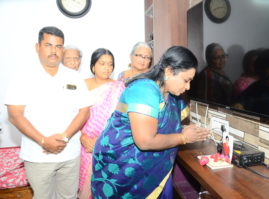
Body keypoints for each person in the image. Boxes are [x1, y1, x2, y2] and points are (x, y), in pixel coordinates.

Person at [91, 46, 210, 198]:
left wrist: (187, 131)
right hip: (121, 167)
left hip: (148, 167)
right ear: (168, 71)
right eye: (186, 80)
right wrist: (184, 137)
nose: (188, 87)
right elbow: (145, 141)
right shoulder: (144, 90)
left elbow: (166, 123)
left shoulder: (170, 93)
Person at [5, 26, 91, 199]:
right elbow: (15, 115)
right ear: (38, 47)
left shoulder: (74, 77)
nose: (54, 51)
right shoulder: (22, 76)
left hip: (69, 152)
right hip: (37, 155)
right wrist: (43, 141)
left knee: (69, 196)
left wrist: (64, 137)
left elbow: (84, 111)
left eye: (59, 46)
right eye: (48, 45)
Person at [78, 48, 125, 199]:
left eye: (110, 64)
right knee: (84, 185)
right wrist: (82, 137)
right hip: (83, 142)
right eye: (102, 63)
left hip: (107, 144)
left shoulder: (118, 87)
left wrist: (101, 141)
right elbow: (72, 114)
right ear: (93, 66)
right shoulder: (82, 85)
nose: (107, 68)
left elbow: (120, 119)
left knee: (104, 186)